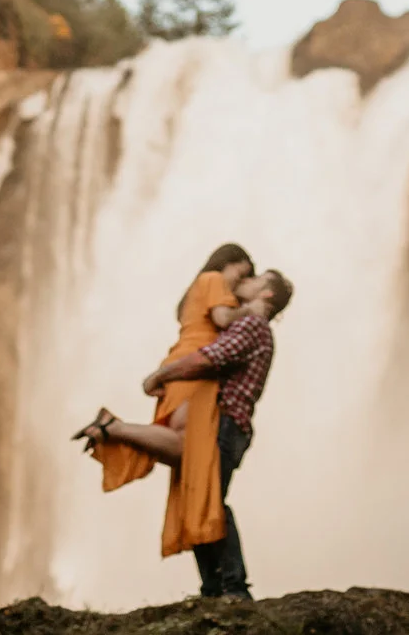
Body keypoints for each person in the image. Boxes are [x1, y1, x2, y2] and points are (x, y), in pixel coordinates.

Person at [82, 268, 291, 599]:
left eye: (255, 280)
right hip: (224, 423)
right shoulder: (251, 324)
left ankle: (233, 588)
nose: (244, 283)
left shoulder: (252, 324)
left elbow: (211, 358)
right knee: (200, 498)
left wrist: (162, 375)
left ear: (266, 295)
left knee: (211, 500)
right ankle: (213, 587)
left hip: (226, 422)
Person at [75, 244, 256, 559]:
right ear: (229, 262)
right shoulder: (213, 278)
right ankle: (114, 428)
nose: (239, 285)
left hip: (180, 368)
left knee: (189, 459)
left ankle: (115, 430)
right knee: (188, 448)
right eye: (241, 274)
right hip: (194, 369)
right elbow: (223, 318)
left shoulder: (195, 292)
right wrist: (254, 309)